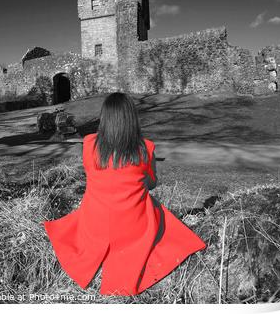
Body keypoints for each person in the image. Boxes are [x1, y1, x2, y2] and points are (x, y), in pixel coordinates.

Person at [43, 92, 206, 296]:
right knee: (156, 211)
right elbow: (152, 183)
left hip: (94, 225)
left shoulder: (89, 144)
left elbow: (94, 176)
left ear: (104, 118)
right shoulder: (145, 148)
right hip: (133, 229)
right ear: (131, 118)